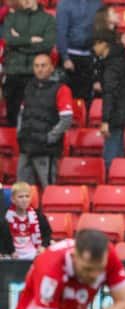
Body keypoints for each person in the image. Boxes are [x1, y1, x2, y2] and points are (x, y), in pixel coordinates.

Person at [17, 54, 73, 188]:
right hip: (26, 145)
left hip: (46, 149)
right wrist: (20, 133)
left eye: (43, 65)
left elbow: (66, 119)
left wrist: (49, 138)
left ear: (52, 67)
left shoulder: (61, 89)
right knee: (22, 190)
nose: (39, 69)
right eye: (36, 66)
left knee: (48, 188)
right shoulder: (30, 86)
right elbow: (22, 113)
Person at [3, 0, 56, 126]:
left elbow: (47, 45)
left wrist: (19, 41)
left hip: (36, 74)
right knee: (12, 118)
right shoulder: (11, 18)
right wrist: (31, 40)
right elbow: (9, 41)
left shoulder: (48, 19)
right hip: (14, 72)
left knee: (36, 116)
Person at [92, 30, 125, 174]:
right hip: (122, 110)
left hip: (116, 112)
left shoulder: (111, 66)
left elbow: (109, 94)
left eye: (95, 45)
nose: (93, 49)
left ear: (103, 45)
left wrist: (106, 120)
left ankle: (111, 178)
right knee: (118, 149)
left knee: (110, 153)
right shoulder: (117, 60)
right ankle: (118, 178)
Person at [55, 0, 103, 101]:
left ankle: (86, 116)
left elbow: (100, 30)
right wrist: (65, 58)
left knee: (88, 97)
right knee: (70, 96)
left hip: (91, 57)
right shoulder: (64, 4)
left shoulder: (97, 4)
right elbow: (61, 32)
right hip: (71, 56)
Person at [0, 181, 51, 259]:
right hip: (11, 256)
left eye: (27, 196)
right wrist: (8, 252)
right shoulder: (5, 217)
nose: (24, 200)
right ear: (13, 199)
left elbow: (47, 234)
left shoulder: (38, 216)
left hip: (34, 253)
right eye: (20, 197)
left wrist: (43, 246)